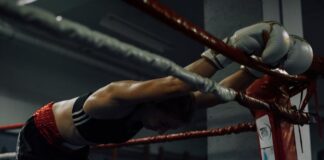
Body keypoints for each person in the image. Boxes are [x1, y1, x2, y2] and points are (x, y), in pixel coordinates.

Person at [16, 21, 324, 160]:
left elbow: (213, 94)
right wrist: (228, 49)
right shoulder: (110, 98)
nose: (161, 132)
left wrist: (251, 68)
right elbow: (176, 83)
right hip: (41, 137)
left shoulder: (154, 110)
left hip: (73, 148)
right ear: (157, 103)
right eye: (164, 124)